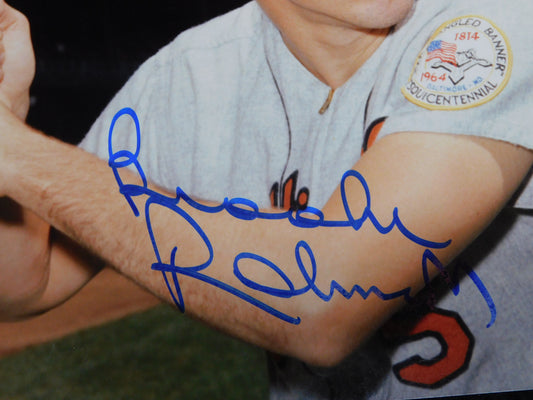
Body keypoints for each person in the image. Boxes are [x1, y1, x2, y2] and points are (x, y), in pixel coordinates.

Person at [0, 0, 532, 398]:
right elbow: (27, 284)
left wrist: (18, 153)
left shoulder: (495, 24)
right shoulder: (192, 73)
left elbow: (324, 302)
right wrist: (7, 113)